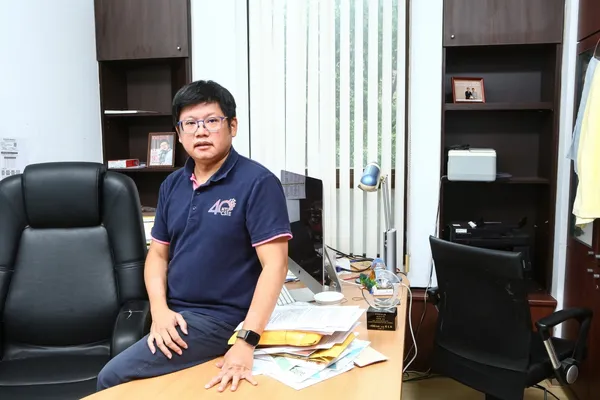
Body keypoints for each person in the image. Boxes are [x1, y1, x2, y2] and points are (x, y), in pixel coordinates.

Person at [96, 80, 292, 393]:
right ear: (179, 133)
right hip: (174, 313)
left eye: (211, 121)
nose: (200, 132)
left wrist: (246, 340)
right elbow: (157, 254)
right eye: (190, 123)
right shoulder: (172, 185)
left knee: (112, 377)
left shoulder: (258, 183)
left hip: (219, 320)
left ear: (232, 126)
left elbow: (276, 265)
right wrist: (159, 311)